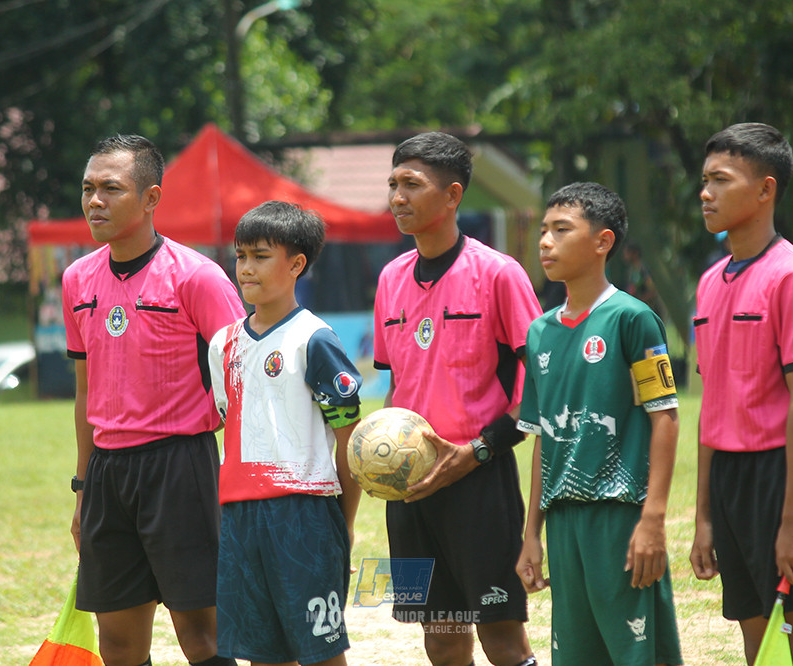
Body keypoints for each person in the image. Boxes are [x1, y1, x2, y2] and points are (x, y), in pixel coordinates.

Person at [63, 134, 244, 666]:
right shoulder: (77, 279)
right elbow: (85, 393)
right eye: (88, 188)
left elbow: (243, 379)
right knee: (117, 641)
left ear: (150, 199)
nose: (95, 200)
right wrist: (81, 486)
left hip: (180, 467)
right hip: (107, 475)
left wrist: (238, 481)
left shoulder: (197, 277)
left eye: (111, 189)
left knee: (202, 635)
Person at [373, 131, 541, 666]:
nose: (397, 197)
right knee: (442, 638)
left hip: (480, 486)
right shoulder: (389, 279)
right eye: (394, 184)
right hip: (411, 492)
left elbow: (540, 386)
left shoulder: (499, 274)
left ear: (452, 196)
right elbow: (395, 387)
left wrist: (478, 451)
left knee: (501, 638)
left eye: (412, 185)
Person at [515, 182, 683, 666]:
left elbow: (665, 418)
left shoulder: (634, 319)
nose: (545, 241)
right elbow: (544, 439)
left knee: (635, 654)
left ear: (603, 241)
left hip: (619, 515)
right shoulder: (540, 331)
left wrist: (652, 519)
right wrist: (532, 534)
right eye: (544, 231)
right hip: (563, 521)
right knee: (575, 655)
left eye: (561, 230)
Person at [690, 122, 793, 666]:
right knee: (757, 636)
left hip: (782, 475)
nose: (705, 193)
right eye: (703, 180)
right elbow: (712, 405)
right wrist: (704, 514)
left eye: (720, 180)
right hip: (729, 478)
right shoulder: (709, 283)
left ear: (765, 189)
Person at [208, 201, 362, 666]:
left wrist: (344, 523)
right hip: (238, 515)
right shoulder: (222, 344)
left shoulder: (315, 340)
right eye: (241, 256)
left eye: (260, 256)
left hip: (304, 512)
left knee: (320, 651)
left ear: (296, 264)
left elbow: (349, 443)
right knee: (263, 654)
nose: (246, 268)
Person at [621, 241, 661, 313]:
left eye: (627, 252)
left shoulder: (643, 270)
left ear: (635, 253)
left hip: (650, 310)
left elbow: (653, 291)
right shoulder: (631, 271)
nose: (625, 255)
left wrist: (639, 300)